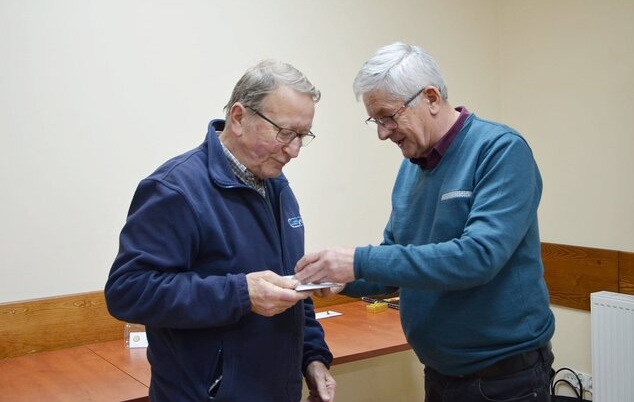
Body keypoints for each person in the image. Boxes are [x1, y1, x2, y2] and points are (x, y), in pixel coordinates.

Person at [294, 42, 555, 402]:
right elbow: (395, 261)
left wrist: (356, 261)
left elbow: (478, 256)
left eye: (387, 116)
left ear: (431, 98)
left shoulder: (501, 150)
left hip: (503, 379)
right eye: (376, 121)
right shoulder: (411, 168)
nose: (382, 133)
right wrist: (340, 278)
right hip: (441, 373)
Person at [105, 60, 335, 402]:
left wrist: (312, 357)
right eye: (285, 133)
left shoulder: (277, 187)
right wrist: (240, 294)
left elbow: (291, 286)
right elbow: (127, 290)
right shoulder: (176, 189)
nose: (295, 150)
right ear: (239, 118)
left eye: (303, 136)